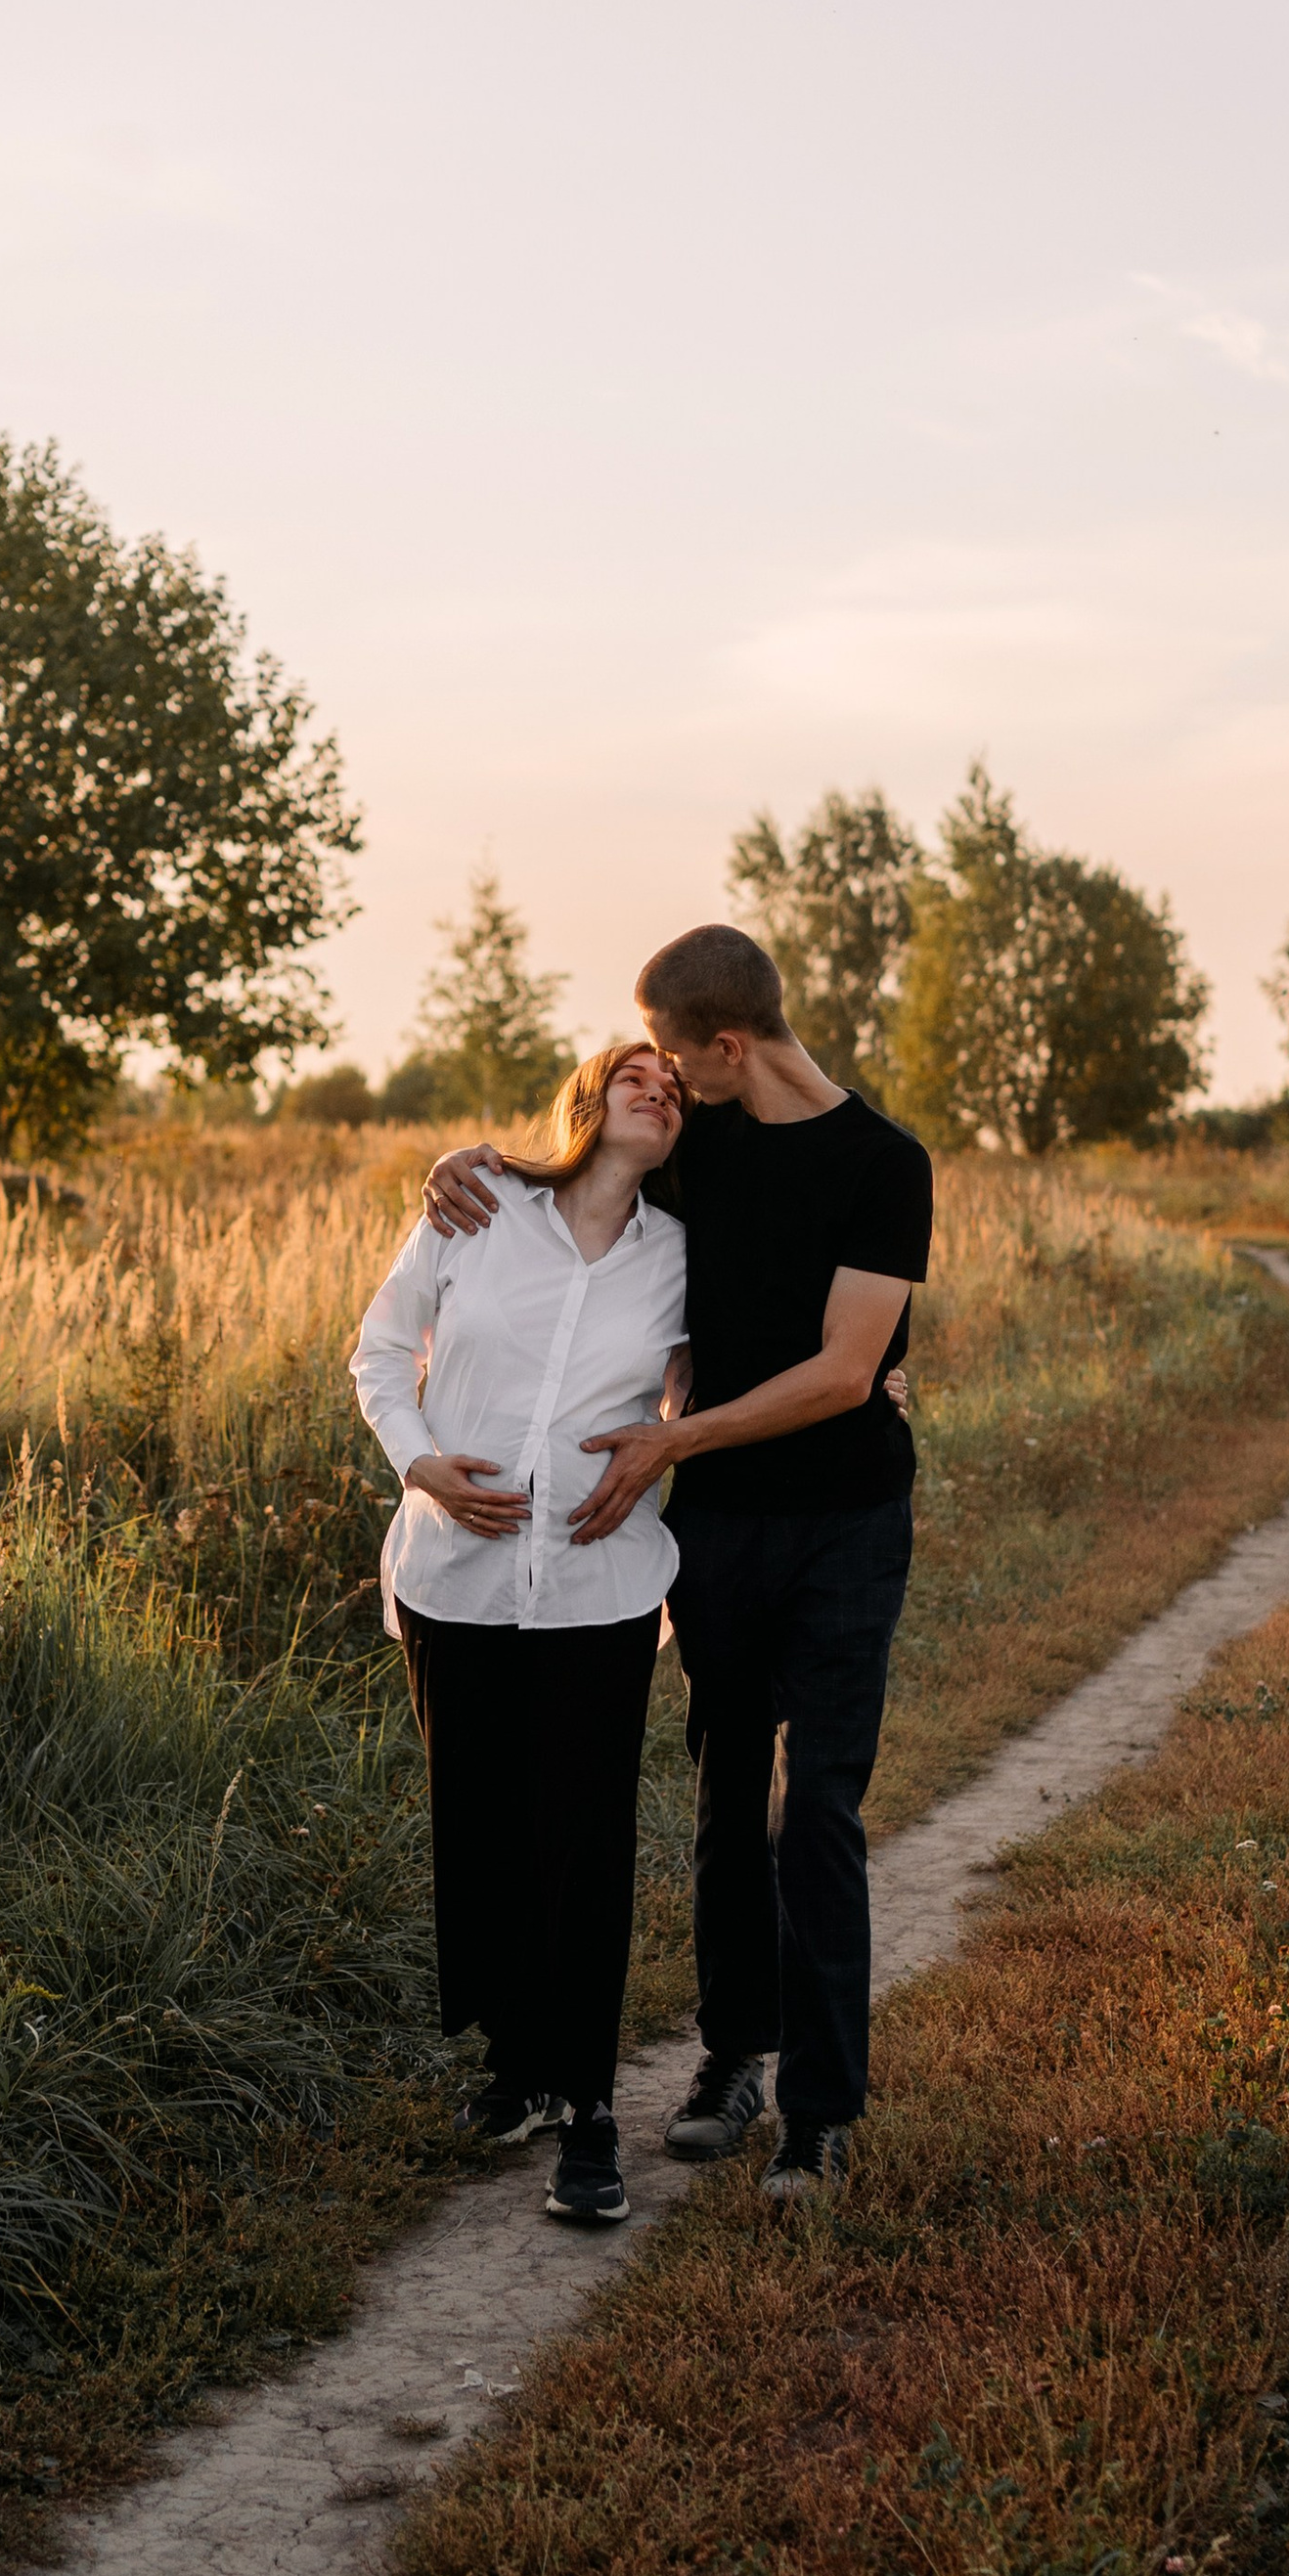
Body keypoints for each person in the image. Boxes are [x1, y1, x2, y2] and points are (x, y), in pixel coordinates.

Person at [424, 920, 933, 2203]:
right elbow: (573, 1173)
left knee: (813, 1803)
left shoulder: (885, 1165)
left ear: (725, 1042)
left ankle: (820, 2116)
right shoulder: (696, 1146)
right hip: (718, 1531)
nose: (657, 1071)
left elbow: (843, 1371)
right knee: (722, 1794)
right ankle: (732, 2056)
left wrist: (669, 1440)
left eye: (668, 1050)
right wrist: (462, 1163)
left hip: (845, 1524)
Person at [351, 1040, 690, 2228]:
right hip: (455, 1574)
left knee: (582, 1842)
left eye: (679, 1086)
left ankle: (590, 2109)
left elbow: (703, 1392)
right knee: (482, 1829)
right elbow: (380, 1355)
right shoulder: (475, 1205)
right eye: (637, 1076)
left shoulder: (682, 1257)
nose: (661, 1091)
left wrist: (671, 1446)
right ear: (588, 1103)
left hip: (597, 1587)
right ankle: (517, 2070)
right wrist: (422, 1463)